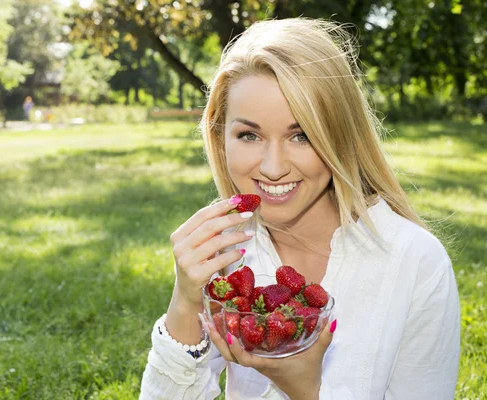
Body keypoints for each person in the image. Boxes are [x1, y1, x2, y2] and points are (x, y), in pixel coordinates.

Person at [139, 18, 460, 400]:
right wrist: (185, 300)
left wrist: (304, 390)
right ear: (219, 136)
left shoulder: (415, 262)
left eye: (301, 135)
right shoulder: (225, 252)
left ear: (341, 137)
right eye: (249, 135)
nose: (274, 167)